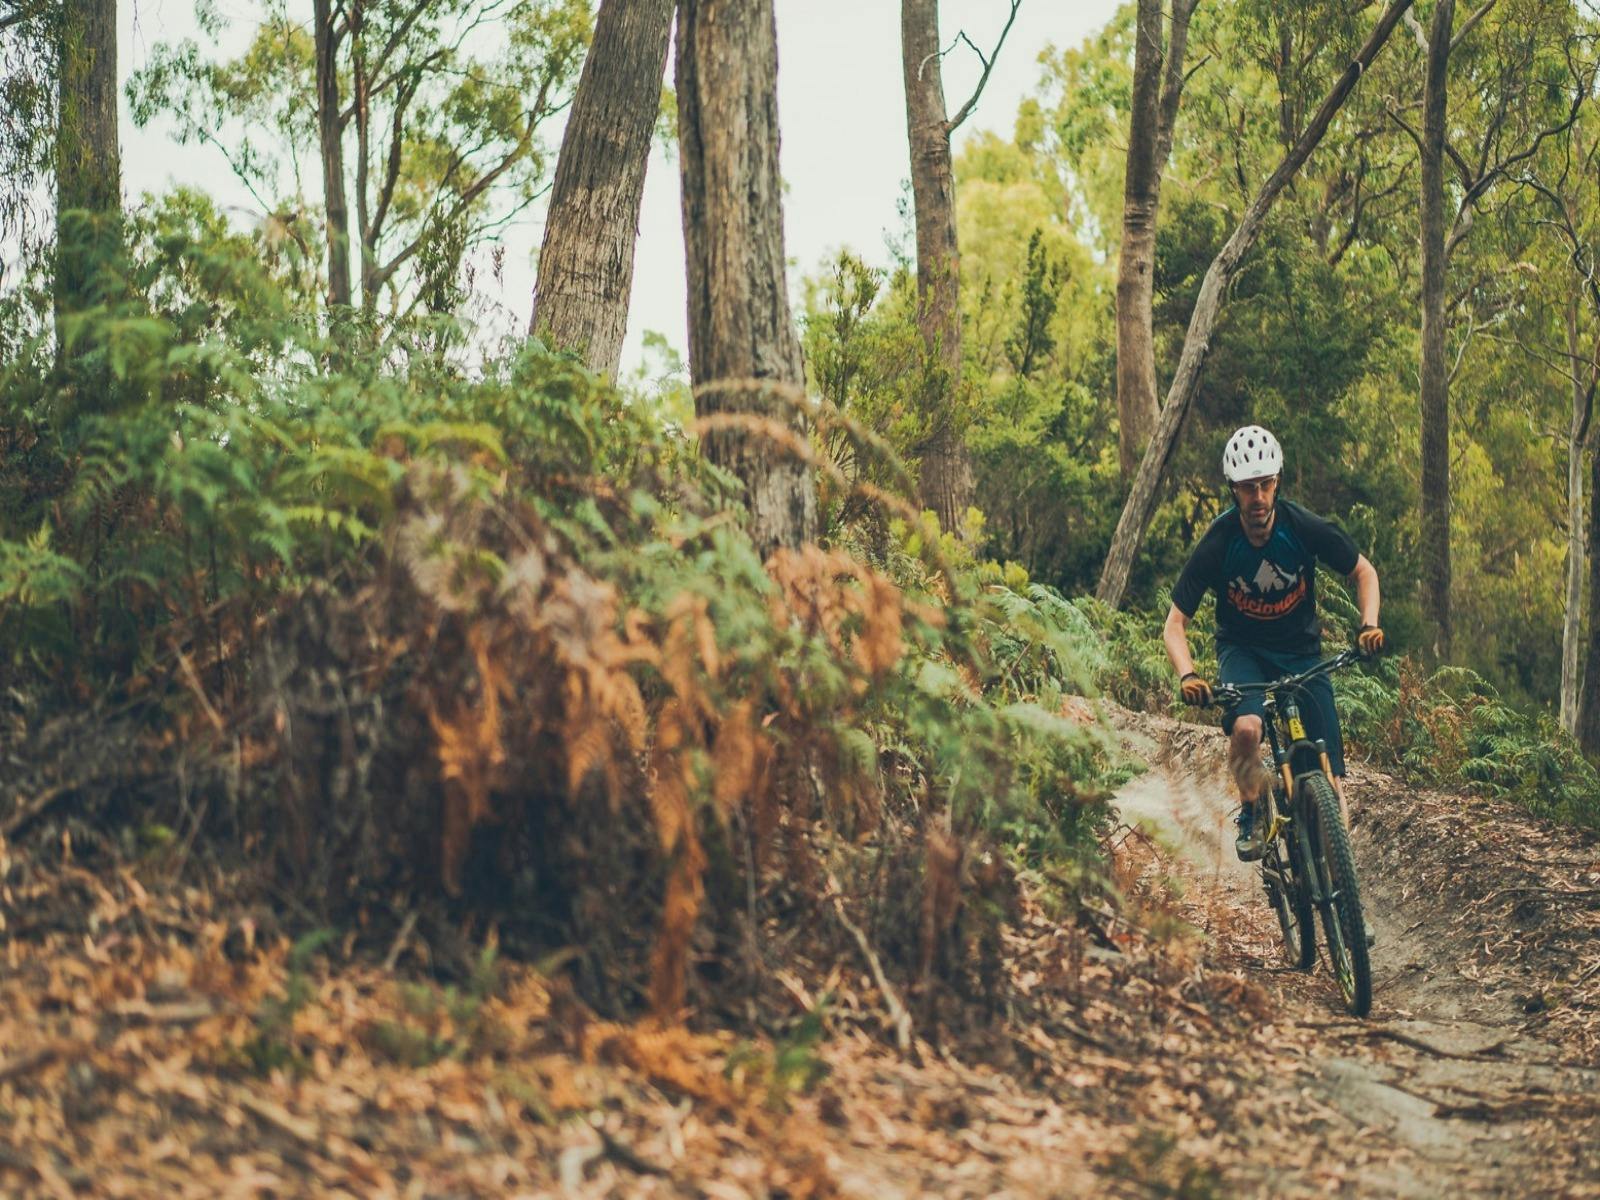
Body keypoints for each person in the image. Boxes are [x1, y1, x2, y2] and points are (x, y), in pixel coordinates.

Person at [1161, 425, 1384, 867]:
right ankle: (1251, 809)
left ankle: (1345, 885)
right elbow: (1174, 624)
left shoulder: (1302, 526)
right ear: (1233, 490)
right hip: (1243, 652)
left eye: (1265, 484)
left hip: (1302, 651)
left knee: (1330, 776)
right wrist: (1188, 674)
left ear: (1277, 482)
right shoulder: (1219, 542)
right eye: (1248, 487)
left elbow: (1364, 572)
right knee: (1246, 729)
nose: (1258, 497)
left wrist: (1368, 625)